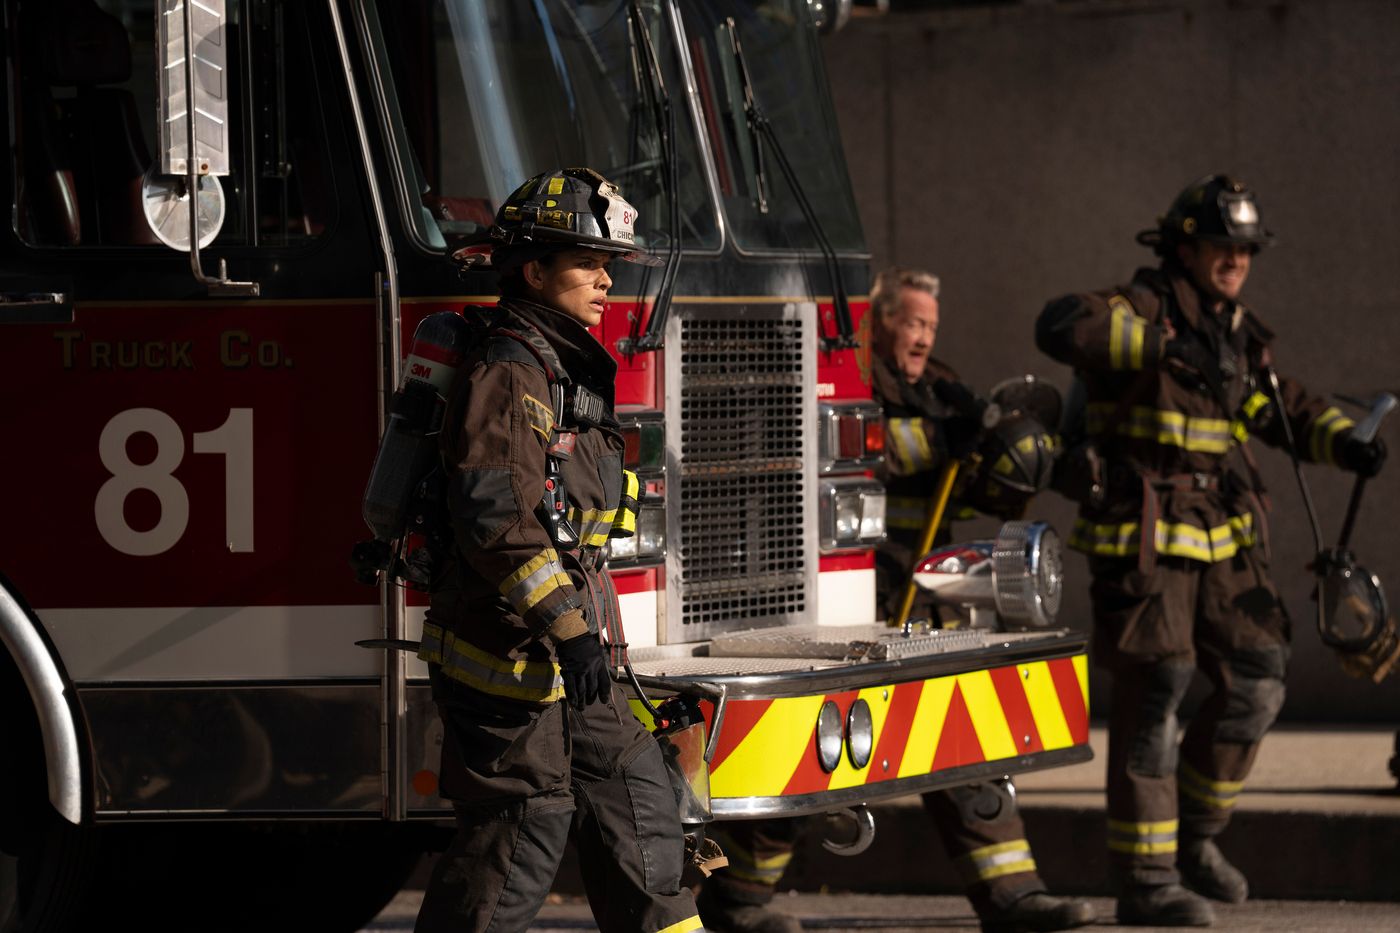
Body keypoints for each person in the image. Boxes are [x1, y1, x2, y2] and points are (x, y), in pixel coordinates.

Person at [1035, 174, 1387, 927]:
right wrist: (1161, 342)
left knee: (1259, 681)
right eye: (1224, 246)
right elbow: (1062, 325)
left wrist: (1345, 441)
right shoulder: (1142, 305)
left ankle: (1194, 837)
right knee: (1157, 693)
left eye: (1246, 249)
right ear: (1185, 246)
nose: (1236, 259)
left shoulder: (1237, 336)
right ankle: (1146, 879)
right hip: (1147, 535)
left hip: (1224, 534)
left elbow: (1279, 409)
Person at [697, 268, 1096, 933]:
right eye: (912, 323)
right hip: (845, 600)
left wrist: (1007, 462)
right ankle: (738, 899)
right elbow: (863, 448)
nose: (923, 337)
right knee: (808, 750)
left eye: (932, 326)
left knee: (972, 746)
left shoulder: (945, 390)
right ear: (877, 322)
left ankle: (1014, 896)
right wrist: (947, 441)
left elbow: (973, 486)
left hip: (924, 596)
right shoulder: (845, 378)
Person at [414, 167, 701, 933]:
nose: (606, 281)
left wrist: (590, 641)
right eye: (588, 263)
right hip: (506, 660)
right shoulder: (510, 370)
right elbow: (499, 519)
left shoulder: (565, 366)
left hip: (575, 655)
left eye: (609, 265)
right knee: (519, 833)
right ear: (535, 270)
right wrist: (572, 633)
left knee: (643, 805)